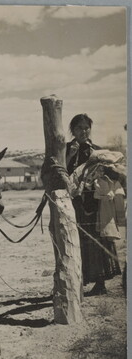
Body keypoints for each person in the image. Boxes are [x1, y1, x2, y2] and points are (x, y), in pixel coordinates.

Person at [66, 113, 121, 295]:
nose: (83, 131)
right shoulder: (65, 150)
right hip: (74, 204)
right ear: (72, 130)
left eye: (86, 128)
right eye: (79, 128)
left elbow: (113, 174)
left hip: (95, 203)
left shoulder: (97, 151)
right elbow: (60, 173)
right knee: (76, 241)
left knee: (97, 239)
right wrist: (70, 156)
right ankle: (77, 282)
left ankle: (100, 283)